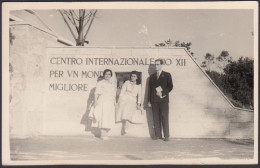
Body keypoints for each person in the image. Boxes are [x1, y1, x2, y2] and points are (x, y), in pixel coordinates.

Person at [148, 59, 173, 141]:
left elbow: (170, 87)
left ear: (162, 65)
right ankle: (158, 135)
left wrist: (162, 93)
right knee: (156, 118)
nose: (156, 66)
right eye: (155, 64)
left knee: (164, 117)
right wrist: (149, 101)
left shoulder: (167, 75)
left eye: (158, 64)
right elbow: (150, 89)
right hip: (154, 101)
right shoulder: (151, 77)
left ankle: (166, 136)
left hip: (163, 100)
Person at [91, 69, 117, 140]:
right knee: (103, 117)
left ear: (111, 76)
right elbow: (96, 93)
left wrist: (115, 103)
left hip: (110, 102)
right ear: (104, 75)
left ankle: (105, 132)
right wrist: (95, 102)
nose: (107, 76)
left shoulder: (112, 84)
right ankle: (102, 134)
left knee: (108, 117)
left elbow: (113, 95)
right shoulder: (100, 83)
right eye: (106, 74)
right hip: (102, 101)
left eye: (109, 74)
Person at [116, 71, 142, 135]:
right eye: (131, 76)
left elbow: (140, 95)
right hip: (125, 98)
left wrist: (138, 104)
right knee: (125, 106)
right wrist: (119, 101)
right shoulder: (127, 83)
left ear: (137, 77)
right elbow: (122, 92)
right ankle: (126, 124)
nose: (132, 77)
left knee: (129, 106)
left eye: (134, 76)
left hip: (133, 99)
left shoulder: (138, 85)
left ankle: (126, 124)